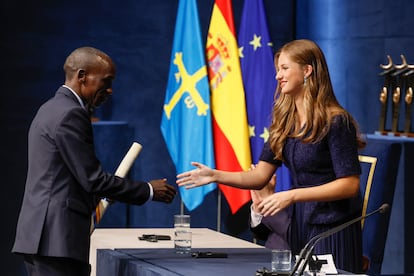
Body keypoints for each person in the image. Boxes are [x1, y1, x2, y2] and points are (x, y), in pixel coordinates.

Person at [177, 39, 365, 273]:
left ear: (307, 70)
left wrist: (291, 195)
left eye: (285, 68)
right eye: (278, 70)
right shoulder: (285, 122)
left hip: (331, 228)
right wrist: (215, 175)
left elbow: (349, 185)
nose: (278, 76)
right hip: (299, 225)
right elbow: (259, 176)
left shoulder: (336, 121)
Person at [12, 46, 177, 276]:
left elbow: (67, 178)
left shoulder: (49, 108)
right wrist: (148, 190)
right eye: (106, 81)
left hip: (42, 237)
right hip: (56, 240)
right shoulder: (71, 113)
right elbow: (93, 180)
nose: (109, 90)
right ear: (82, 76)